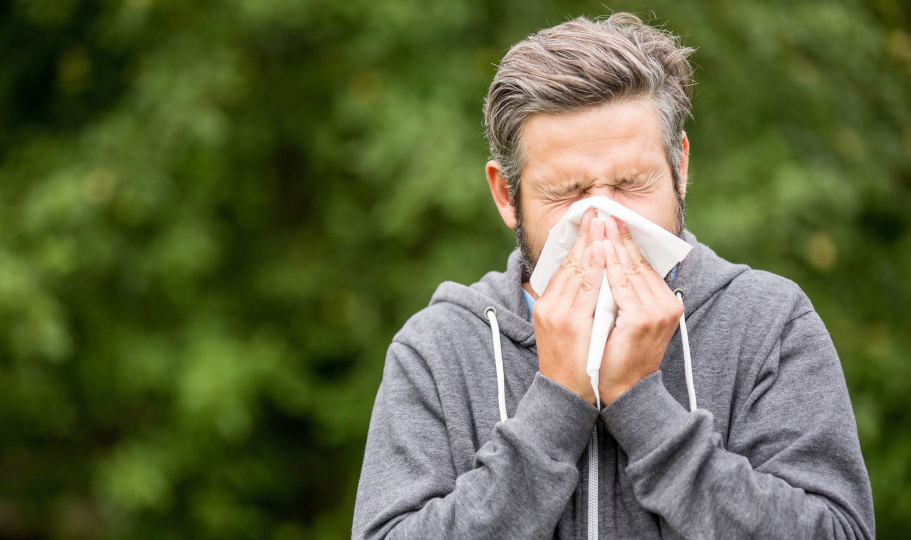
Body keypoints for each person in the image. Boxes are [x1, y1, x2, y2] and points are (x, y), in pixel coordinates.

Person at [352, 13, 874, 539]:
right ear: (507, 196)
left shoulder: (768, 323)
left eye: (631, 183)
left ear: (680, 168)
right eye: (569, 192)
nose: (602, 221)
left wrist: (643, 406)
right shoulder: (439, 348)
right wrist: (555, 403)